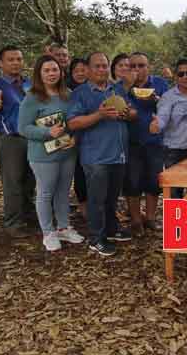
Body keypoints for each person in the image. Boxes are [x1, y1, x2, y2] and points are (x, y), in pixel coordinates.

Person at [67, 52, 137, 256]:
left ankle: (112, 228)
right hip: (95, 156)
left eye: (105, 66)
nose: (102, 70)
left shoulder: (116, 89)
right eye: (97, 66)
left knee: (112, 197)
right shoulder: (80, 93)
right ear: (88, 70)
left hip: (118, 154)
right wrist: (99, 114)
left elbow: (132, 113)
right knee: (96, 199)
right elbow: (73, 122)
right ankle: (96, 238)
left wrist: (127, 114)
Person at [18, 56, 84, 251]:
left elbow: (75, 120)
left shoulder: (68, 94)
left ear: (61, 72)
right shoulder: (32, 97)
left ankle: (64, 227)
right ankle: (48, 232)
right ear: (39, 74)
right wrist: (47, 132)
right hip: (43, 156)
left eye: (54, 69)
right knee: (46, 193)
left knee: (63, 192)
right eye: (46, 70)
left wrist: (74, 137)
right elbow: (23, 128)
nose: (51, 74)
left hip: (66, 152)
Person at [0, 46, 36, 238]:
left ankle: (29, 216)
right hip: (11, 140)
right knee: (13, 182)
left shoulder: (30, 83)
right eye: (11, 59)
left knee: (30, 180)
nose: (16, 63)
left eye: (19, 59)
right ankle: (13, 223)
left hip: (32, 138)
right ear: (1, 63)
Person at [150, 58, 187, 198]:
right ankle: (176, 220)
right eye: (181, 74)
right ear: (176, 77)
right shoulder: (168, 97)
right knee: (175, 194)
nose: (185, 77)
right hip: (174, 152)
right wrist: (157, 124)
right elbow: (162, 115)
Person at [127, 52, 169, 235]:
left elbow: (168, 107)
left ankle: (151, 218)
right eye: (133, 66)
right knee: (132, 182)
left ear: (148, 67)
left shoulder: (160, 84)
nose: (137, 70)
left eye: (141, 65)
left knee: (153, 182)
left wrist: (156, 101)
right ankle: (136, 220)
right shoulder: (124, 86)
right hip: (131, 140)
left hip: (155, 141)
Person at [66, 57, 89, 219]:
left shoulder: (95, 88)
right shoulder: (65, 91)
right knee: (79, 173)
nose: (80, 73)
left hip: (92, 138)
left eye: (83, 70)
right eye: (76, 71)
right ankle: (83, 207)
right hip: (70, 139)